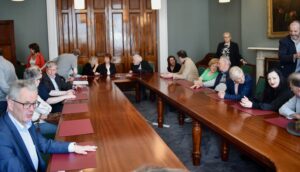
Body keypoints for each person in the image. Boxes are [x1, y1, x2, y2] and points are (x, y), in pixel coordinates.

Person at [0, 80, 97, 171]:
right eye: (26, 104)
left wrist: (74, 147)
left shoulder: (24, 121)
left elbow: (44, 144)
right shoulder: (2, 137)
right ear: (11, 104)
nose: (32, 109)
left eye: (34, 103)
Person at [23, 66, 57, 135]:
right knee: (60, 129)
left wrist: (40, 114)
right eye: (39, 79)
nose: (39, 81)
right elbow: (46, 110)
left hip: (36, 121)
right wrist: (39, 116)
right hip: (31, 126)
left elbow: (48, 108)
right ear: (34, 80)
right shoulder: (29, 93)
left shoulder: (28, 88)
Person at [0, 49, 18, 115]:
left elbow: (3, 86)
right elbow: (16, 80)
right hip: (11, 97)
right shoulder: (9, 63)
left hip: (2, 99)